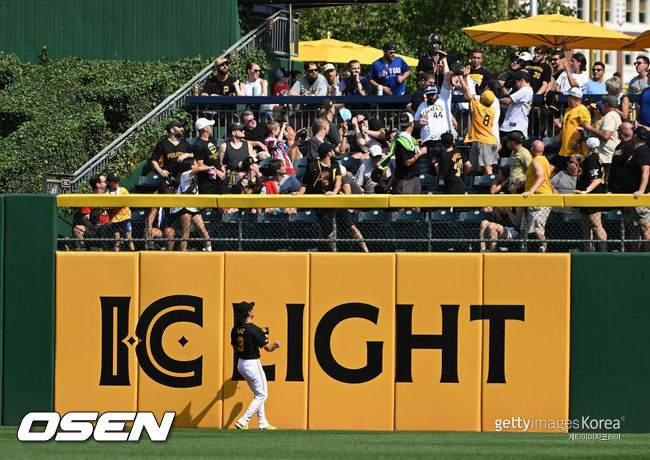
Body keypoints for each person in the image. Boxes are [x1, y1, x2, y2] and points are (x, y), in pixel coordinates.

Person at [294, 142, 369, 252]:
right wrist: (298, 194)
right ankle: (334, 254)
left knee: (352, 227)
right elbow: (304, 185)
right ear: (329, 153)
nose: (334, 152)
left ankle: (366, 251)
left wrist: (334, 192)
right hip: (321, 204)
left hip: (336, 201)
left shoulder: (335, 164)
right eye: (332, 150)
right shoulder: (313, 166)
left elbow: (339, 180)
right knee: (330, 234)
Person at [231, 301, 280, 430]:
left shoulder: (235, 328)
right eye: (251, 308)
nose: (253, 309)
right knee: (263, 395)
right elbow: (268, 348)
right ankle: (243, 420)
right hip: (252, 364)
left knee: (258, 393)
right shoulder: (254, 329)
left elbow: (235, 348)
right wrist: (275, 344)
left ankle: (262, 423)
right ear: (249, 312)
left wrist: (254, 341)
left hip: (241, 364)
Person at [459, 66, 498, 175]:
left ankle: (491, 187)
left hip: (484, 141)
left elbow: (467, 93)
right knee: (474, 168)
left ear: (482, 100)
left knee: (487, 168)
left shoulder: (479, 107)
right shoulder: (491, 109)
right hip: (483, 139)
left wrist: (462, 77)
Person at [168, 158, 214, 252]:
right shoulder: (185, 175)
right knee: (186, 233)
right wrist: (209, 168)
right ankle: (183, 255)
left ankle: (210, 253)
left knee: (203, 230)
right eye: (195, 163)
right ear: (191, 165)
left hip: (193, 208)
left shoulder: (194, 178)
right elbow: (198, 169)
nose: (197, 164)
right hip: (184, 207)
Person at [414, 60, 454, 162]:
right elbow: (415, 123)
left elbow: (447, 79)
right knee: (427, 171)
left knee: (445, 168)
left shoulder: (443, 99)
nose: (431, 96)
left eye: (433, 94)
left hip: (443, 141)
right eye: (429, 95)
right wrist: (419, 123)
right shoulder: (422, 106)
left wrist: (445, 60)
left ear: (437, 93)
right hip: (427, 142)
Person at [573, 137, 607, 251]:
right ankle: (587, 251)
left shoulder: (592, 159)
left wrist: (585, 191)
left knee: (596, 225)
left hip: (592, 196)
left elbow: (596, 179)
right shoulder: (588, 159)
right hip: (584, 197)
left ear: (587, 146)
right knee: (585, 226)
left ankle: (604, 252)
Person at [619, 127, 650, 251]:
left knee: (645, 227)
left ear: (635, 136)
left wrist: (641, 190)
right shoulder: (636, 151)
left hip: (640, 197)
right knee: (634, 228)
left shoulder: (643, 151)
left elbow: (646, 171)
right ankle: (634, 255)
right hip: (632, 197)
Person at [578, 95, 621, 182]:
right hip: (607, 156)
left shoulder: (610, 116)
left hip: (607, 156)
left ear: (606, 105)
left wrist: (589, 127)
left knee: (603, 183)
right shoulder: (612, 115)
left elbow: (606, 135)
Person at [522, 140, 553, 252]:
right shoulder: (545, 160)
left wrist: (531, 190)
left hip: (540, 199)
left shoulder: (535, 161)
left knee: (538, 231)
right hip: (539, 199)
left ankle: (544, 252)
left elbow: (541, 177)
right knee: (528, 229)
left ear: (532, 149)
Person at [552, 87, 590, 173]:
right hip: (564, 150)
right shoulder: (568, 110)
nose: (567, 99)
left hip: (575, 151)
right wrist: (559, 125)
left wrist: (578, 141)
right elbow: (567, 127)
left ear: (572, 98)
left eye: (568, 97)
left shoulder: (582, 110)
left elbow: (587, 129)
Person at [72, 174, 112, 250]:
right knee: (77, 228)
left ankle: (105, 252)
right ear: (98, 184)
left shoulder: (110, 196)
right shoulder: (89, 199)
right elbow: (85, 219)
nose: (107, 183)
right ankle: (80, 252)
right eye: (105, 181)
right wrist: (93, 227)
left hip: (110, 228)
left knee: (106, 226)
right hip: (96, 229)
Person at [499, 71, 533, 156]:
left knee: (508, 150)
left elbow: (508, 100)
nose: (514, 85)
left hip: (515, 127)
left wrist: (493, 100)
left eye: (515, 82)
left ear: (521, 80)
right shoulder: (527, 91)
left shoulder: (525, 90)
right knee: (503, 150)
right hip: (509, 126)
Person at [391, 113, 425, 194]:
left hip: (413, 178)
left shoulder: (408, 139)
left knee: (416, 206)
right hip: (405, 180)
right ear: (412, 124)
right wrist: (420, 152)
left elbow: (409, 150)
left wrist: (416, 145)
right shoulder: (401, 140)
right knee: (402, 206)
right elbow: (407, 162)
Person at [193, 118, 227, 194]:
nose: (211, 127)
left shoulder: (211, 139)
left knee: (225, 204)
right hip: (208, 182)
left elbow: (216, 156)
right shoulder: (198, 145)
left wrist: (221, 166)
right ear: (205, 128)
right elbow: (200, 165)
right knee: (208, 205)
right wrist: (217, 172)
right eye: (210, 125)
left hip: (220, 179)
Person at [105, 173, 135, 252]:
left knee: (128, 235)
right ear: (109, 183)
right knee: (117, 238)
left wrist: (112, 206)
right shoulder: (106, 194)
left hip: (125, 216)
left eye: (117, 181)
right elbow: (105, 206)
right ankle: (116, 254)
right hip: (114, 219)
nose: (116, 183)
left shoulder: (123, 190)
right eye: (114, 182)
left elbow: (127, 201)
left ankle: (132, 252)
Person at [608, 122, 635, 193]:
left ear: (622, 131)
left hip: (623, 188)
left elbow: (630, 166)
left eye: (618, 130)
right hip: (615, 185)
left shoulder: (631, 146)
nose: (617, 132)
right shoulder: (620, 145)